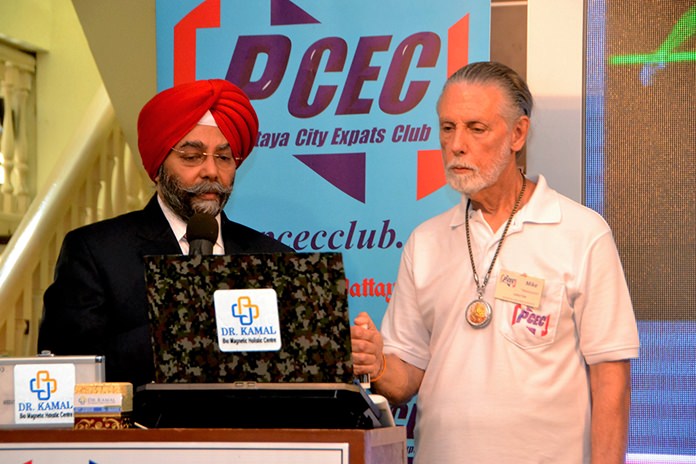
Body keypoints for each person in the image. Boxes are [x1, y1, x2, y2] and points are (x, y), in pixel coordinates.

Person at [351, 62, 639, 463]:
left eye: (476, 128)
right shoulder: (426, 241)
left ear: (518, 133)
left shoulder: (582, 233)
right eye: (447, 128)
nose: (456, 145)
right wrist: (378, 363)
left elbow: (611, 378)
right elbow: (405, 380)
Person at [38, 79, 292, 387]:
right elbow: (68, 371)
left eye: (224, 157)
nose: (211, 171)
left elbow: (296, 364)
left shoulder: (273, 257)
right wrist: (184, 326)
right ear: (158, 166)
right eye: (191, 156)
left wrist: (359, 359)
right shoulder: (97, 252)